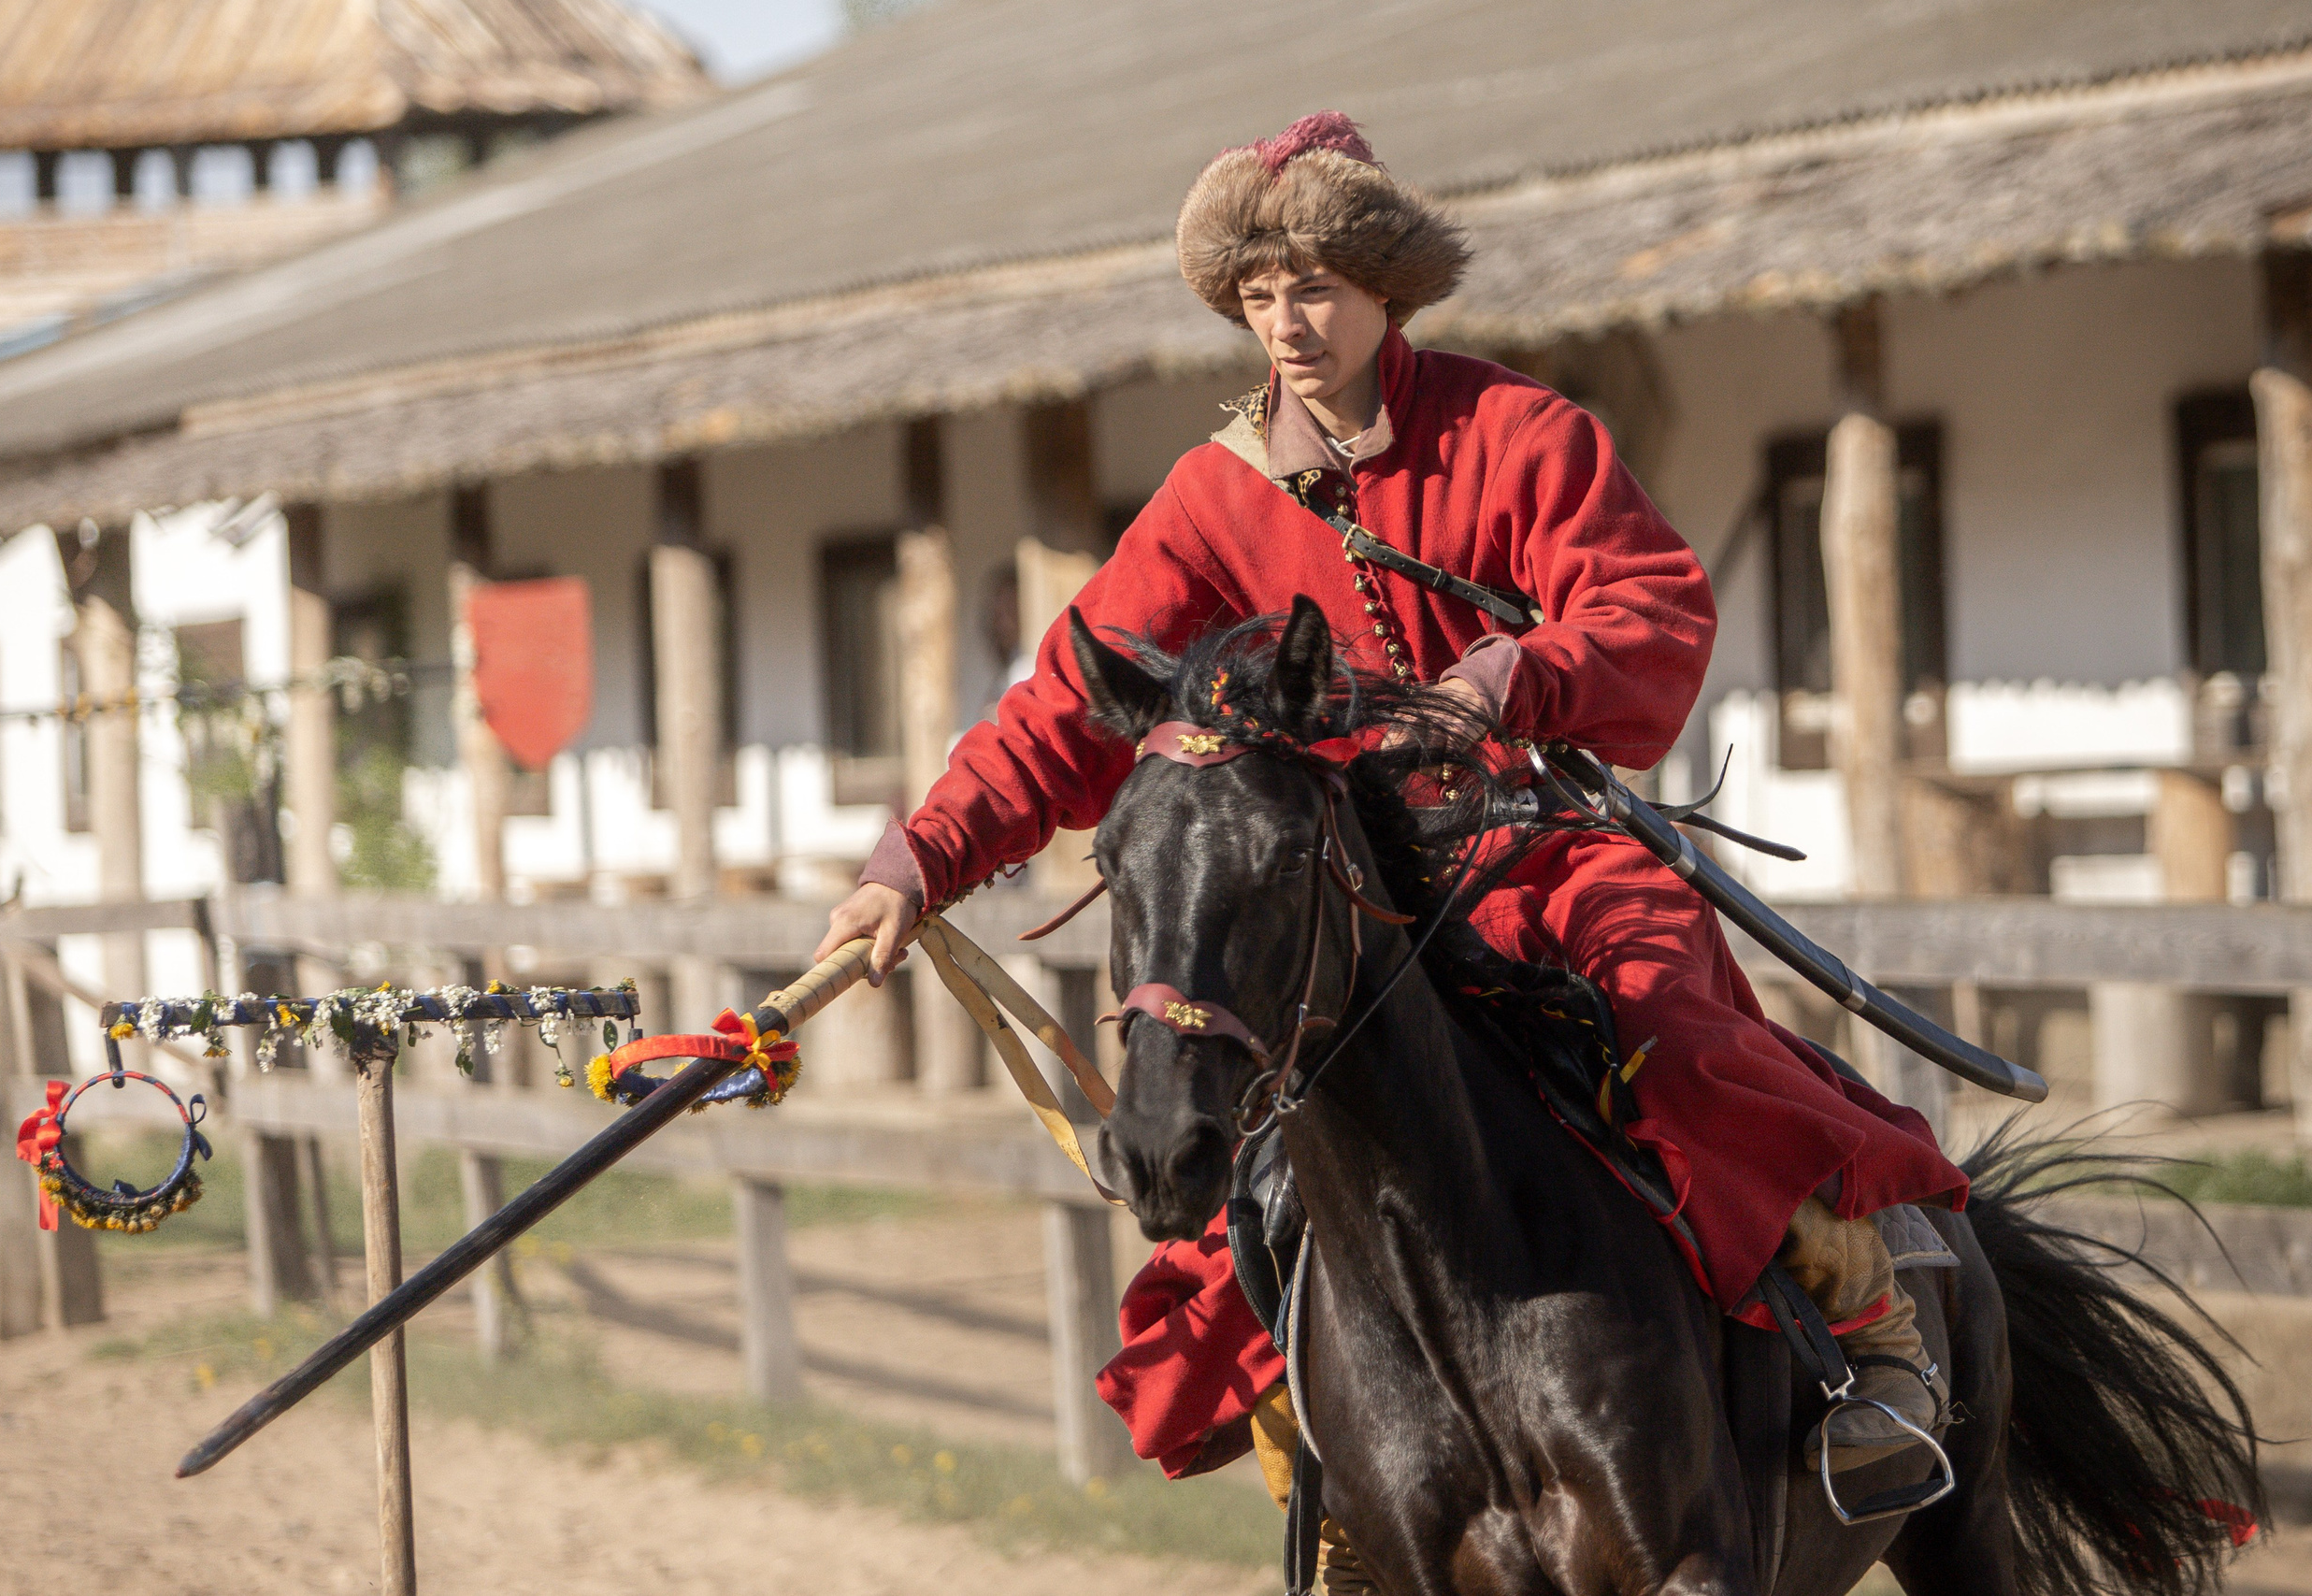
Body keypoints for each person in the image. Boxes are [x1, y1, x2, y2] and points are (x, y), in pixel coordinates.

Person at [816, 112, 1965, 1495]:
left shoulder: (1520, 432)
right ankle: (1345, 1492)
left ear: (1384, 287)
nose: (1286, 324)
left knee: (1673, 1025)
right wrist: (916, 860)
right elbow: (1073, 697)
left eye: (1313, 288)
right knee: (1232, 1144)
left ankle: (1871, 1330)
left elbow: (1652, 604)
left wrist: (1509, 678)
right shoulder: (1212, 496)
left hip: (1537, 855)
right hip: (1341, 896)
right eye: (1258, 295)